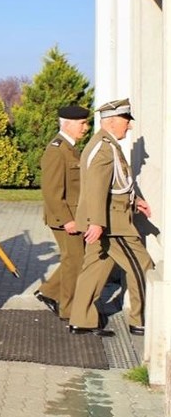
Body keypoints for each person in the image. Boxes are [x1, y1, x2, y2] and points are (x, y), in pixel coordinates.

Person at [68, 99, 155, 337]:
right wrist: (97, 222)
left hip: (107, 221)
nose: (129, 126)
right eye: (126, 121)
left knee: (94, 270)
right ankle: (140, 320)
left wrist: (135, 201)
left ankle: (81, 320)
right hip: (113, 225)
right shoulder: (104, 147)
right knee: (143, 267)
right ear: (113, 121)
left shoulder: (106, 145)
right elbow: (96, 187)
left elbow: (116, 183)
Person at [34, 105, 91, 321]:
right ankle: (68, 310)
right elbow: (51, 192)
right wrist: (67, 220)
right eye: (81, 123)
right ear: (67, 124)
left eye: (85, 123)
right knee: (75, 261)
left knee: (73, 259)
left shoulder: (69, 148)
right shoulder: (56, 150)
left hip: (73, 216)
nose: (85, 128)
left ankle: (48, 292)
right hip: (65, 218)